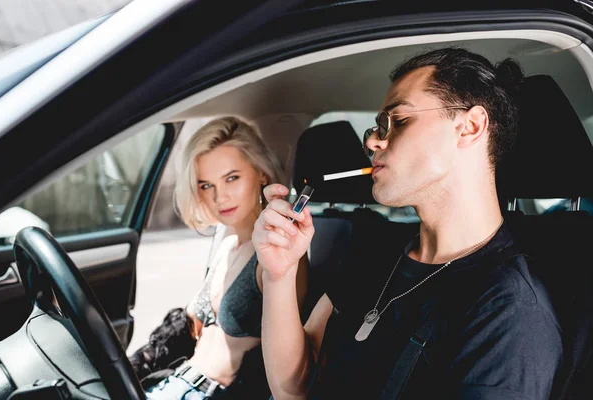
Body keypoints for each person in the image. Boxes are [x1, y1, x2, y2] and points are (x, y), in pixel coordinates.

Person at [253, 48, 563, 399]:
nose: (371, 141)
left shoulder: (509, 311)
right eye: (377, 126)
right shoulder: (379, 248)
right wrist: (280, 274)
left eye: (398, 121)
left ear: (470, 127)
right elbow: (295, 386)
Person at [132, 116, 307, 399]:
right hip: (173, 382)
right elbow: (188, 328)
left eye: (232, 178)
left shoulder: (279, 253)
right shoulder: (227, 247)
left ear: (261, 173)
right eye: (205, 185)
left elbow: (289, 368)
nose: (220, 197)